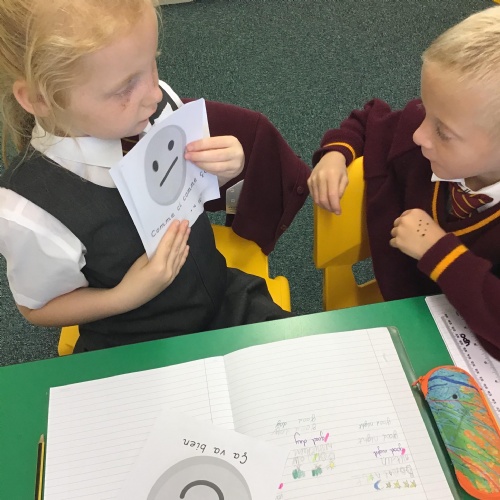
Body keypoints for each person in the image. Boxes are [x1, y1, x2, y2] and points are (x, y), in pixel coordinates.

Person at [0, 0, 310, 352]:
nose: (154, 93)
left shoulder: (160, 110)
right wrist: (124, 295)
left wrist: (227, 169)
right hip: (133, 339)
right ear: (39, 99)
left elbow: (195, 192)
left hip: (221, 296)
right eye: (124, 88)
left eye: (152, 63)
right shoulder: (29, 208)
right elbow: (37, 307)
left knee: (304, 362)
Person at [309, 6, 500, 353]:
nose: (418, 134)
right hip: (406, 320)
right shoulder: (422, 139)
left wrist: (440, 254)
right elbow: (369, 120)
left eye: (443, 131)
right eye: (427, 109)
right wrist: (336, 153)